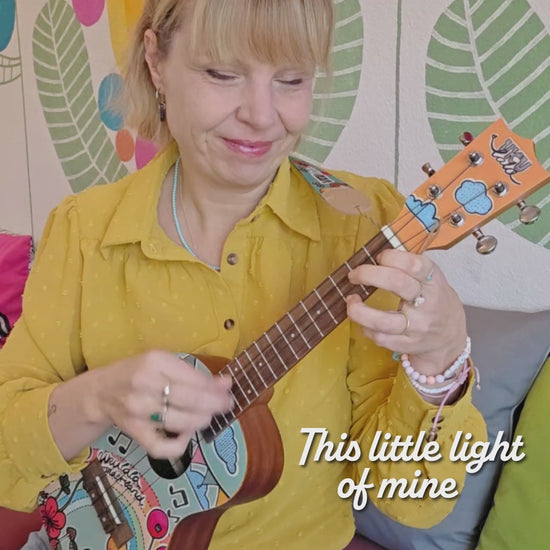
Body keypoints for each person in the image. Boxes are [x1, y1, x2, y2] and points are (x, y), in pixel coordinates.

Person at [0, 1, 486, 549]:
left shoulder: (362, 225)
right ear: (156, 61)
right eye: (222, 73)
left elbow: (412, 501)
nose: (261, 114)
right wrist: (97, 398)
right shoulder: (85, 231)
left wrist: (441, 362)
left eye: (291, 79)